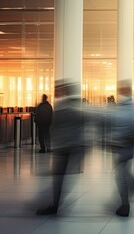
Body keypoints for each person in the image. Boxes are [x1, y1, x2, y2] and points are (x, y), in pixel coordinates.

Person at [36, 81, 86, 215]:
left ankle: (55, 205)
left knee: (59, 176)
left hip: (65, 147)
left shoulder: (62, 107)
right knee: (60, 176)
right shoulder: (76, 107)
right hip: (72, 146)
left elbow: (56, 127)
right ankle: (55, 203)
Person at [108, 80, 134, 217]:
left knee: (121, 176)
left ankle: (125, 205)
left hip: (124, 146)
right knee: (124, 173)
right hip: (127, 146)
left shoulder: (122, 108)